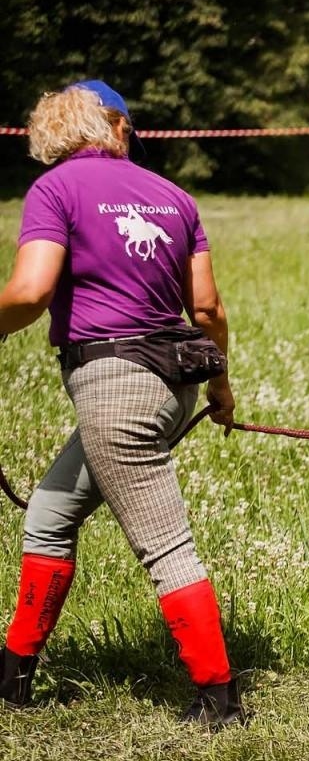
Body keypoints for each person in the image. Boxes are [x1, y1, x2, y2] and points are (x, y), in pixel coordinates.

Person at [0, 80, 243, 727]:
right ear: (113, 127)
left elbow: (29, 292)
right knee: (50, 514)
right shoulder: (175, 196)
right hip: (173, 383)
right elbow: (207, 309)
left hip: (115, 388)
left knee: (165, 546)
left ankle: (220, 701)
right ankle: (13, 677)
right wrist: (220, 387)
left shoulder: (54, 189)